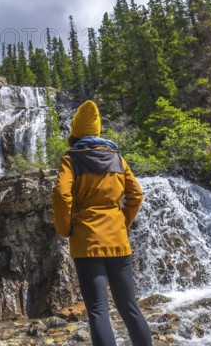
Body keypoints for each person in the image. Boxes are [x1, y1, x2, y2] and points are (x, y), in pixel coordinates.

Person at [52, 100, 152, 346]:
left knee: (98, 310)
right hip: (117, 240)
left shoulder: (71, 159)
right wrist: (121, 223)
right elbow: (136, 194)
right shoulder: (117, 158)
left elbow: (61, 194)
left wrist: (65, 229)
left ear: (75, 131)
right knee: (129, 307)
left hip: (86, 241)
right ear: (97, 131)